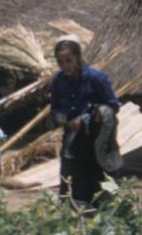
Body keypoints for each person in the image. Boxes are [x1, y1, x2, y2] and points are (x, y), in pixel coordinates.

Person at [50, 37, 119, 208]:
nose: (64, 65)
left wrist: (85, 117)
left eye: (68, 60)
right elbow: (55, 106)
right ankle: (77, 213)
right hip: (73, 137)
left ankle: (106, 212)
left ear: (78, 57)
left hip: (97, 136)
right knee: (71, 174)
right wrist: (59, 117)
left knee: (98, 174)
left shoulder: (97, 78)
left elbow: (112, 105)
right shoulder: (58, 80)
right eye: (60, 62)